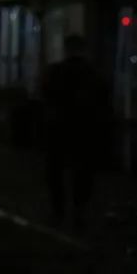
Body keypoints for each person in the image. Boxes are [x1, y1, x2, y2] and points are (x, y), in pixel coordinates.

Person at [42, 34, 110, 231]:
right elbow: (103, 102)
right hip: (84, 130)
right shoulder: (93, 74)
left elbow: (47, 96)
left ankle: (59, 210)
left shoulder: (56, 72)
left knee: (56, 171)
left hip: (59, 129)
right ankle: (79, 210)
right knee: (83, 172)